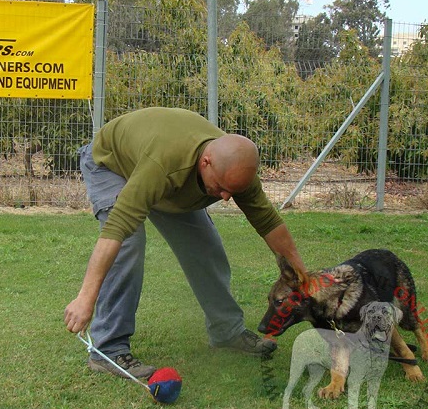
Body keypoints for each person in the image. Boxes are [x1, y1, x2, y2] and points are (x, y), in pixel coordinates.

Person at [64, 107, 307, 379]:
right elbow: (115, 232)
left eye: (233, 191)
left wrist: (301, 275)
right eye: (222, 187)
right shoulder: (164, 164)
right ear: (206, 162)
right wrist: (86, 297)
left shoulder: (236, 170)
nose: (226, 197)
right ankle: (108, 349)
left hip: (169, 179)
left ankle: (227, 332)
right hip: (112, 164)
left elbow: (268, 222)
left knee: (206, 248)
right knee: (128, 244)